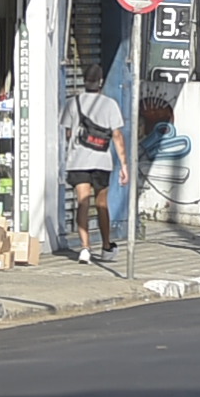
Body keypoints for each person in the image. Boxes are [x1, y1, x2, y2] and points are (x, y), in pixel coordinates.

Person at [64, 65, 128, 263]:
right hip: (102, 161)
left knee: (82, 202)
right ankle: (106, 246)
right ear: (100, 82)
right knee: (101, 204)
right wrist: (124, 165)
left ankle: (85, 248)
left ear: (84, 81)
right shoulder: (110, 104)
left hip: (77, 161)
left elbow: (67, 133)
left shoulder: (73, 102)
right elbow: (117, 136)